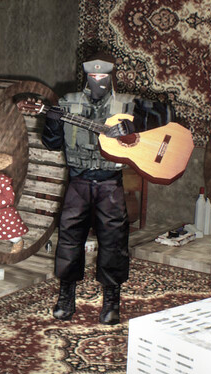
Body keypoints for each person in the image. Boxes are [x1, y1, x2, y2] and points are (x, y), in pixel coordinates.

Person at [39, 58, 171, 325]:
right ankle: (66, 296)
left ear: (111, 77)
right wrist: (52, 122)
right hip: (78, 182)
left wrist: (135, 126)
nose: (97, 81)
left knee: (114, 243)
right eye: (93, 76)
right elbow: (52, 144)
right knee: (69, 240)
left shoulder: (128, 104)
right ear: (86, 77)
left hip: (110, 183)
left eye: (103, 77)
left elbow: (166, 115)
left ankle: (112, 300)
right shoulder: (67, 103)